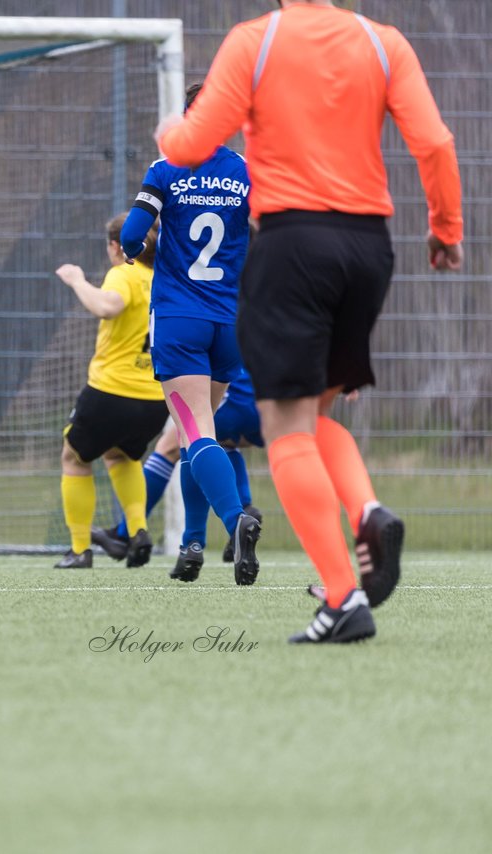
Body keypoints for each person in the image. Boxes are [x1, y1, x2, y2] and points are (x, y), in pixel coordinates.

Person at [157, 0, 463, 643]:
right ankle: (368, 509)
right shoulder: (384, 42)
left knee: (286, 426)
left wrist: (167, 135)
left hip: (293, 243)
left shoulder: (254, 41)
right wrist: (445, 229)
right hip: (368, 248)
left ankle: (344, 598)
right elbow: (434, 140)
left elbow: (190, 143)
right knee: (317, 414)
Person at [114, 82, 260, 586]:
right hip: (229, 320)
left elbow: (132, 234)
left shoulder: (165, 169)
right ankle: (192, 544)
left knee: (192, 431)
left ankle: (235, 519)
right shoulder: (245, 171)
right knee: (203, 433)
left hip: (179, 318)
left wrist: (135, 252)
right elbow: (266, 230)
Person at [53, 215, 166, 569]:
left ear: (117, 247)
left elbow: (106, 306)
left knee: (74, 458)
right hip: (155, 397)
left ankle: (79, 549)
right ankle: (138, 531)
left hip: (112, 390)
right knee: (121, 457)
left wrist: (77, 280)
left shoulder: (124, 273)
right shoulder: (163, 278)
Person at [93, 369, 264, 568]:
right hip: (266, 404)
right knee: (221, 443)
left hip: (234, 400)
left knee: (173, 447)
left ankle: (131, 534)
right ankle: (245, 506)